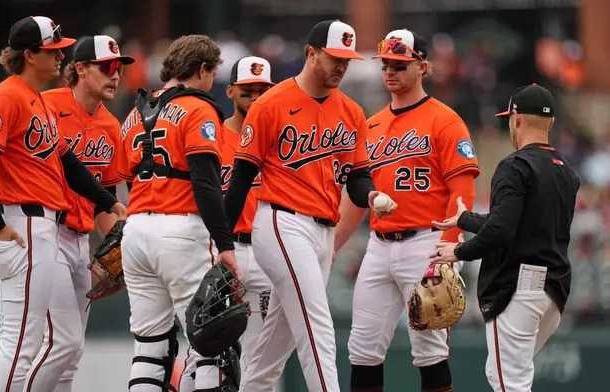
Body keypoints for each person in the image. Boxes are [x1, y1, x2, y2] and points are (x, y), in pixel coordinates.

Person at [224, 20, 396, 392]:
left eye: (346, 60)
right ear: (311, 53)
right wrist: (220, 241)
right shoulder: (270, 104)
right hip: (282, 224)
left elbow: (356, 176)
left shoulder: (351, 112)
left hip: (323, 233)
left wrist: (370, 195)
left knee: (275, 346)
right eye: (334, 58)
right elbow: (240, 178)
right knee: (317, 324)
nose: (341, 66)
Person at [0, 16, 126, 392]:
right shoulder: (8, 95)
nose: (60, 56)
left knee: (47, 343)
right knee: (20, 343)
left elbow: (69, 163)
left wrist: (108, 202)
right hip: (26, 221)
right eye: (52, 50)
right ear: (29, 54)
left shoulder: (34, 99)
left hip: (43, 226)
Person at [333, 29, 480, 392]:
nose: (390, 71)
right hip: (380, 245)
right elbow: (357, 196)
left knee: (429, 351)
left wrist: (448, 250)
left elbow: (462, 191)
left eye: (400, 64)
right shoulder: (372, 124)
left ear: (423, 67)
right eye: (386, 64)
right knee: (362, 351)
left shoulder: (445, 120)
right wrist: (331, 246)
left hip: (426, 242)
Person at [430, 84, 580, 392]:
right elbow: (514, 221)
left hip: (518, 288)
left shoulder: (515, 165)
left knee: (508, 381)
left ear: (516, 118)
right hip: (553, 292)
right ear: (550, 122)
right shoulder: (565, 170)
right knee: (507, 374)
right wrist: (464, 219)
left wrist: (459, 251)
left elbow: (501, 230)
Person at [117, 34, 239, 392]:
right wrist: (225, 244)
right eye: (212, 72)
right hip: (181, 230)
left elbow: (127, 176)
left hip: (137, 229)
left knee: (150, 348)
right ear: (201, 68)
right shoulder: (199, 108)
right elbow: (205, 183)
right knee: (212, 343)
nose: (212, 80)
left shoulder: (133, 113)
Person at [26, 35, 135, 392]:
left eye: (118, 68)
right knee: (63, 344)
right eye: (106, 68)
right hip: (42, 228)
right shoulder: (45, 105)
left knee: (71, 355)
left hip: (79, 238)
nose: (115, 75)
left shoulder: (111, 126)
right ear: (80, 69)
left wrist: (119, 242)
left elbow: (104, 203)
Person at [221, 55, 274, 379]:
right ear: (230, 92)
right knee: (212, 347)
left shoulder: (277, 142)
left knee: (260, 352)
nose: (255, 97)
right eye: (247, 90)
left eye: (262, 90)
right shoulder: (212, 138)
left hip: (267, 250)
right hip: (229, 249)